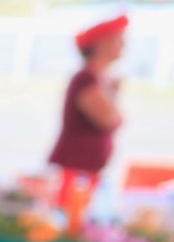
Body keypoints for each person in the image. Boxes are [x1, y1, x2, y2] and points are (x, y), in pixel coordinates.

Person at [47, 14, 127, 207]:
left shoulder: (99, 79)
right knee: (69, 214)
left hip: (88, 168)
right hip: (76, 167)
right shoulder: (86, 79)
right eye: (118, 39)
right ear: (101, 44)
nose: (123, 45)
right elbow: (107, 119)